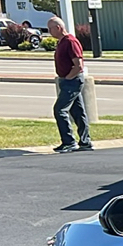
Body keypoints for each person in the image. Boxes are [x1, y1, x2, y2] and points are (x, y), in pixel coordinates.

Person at [47, 17, 92, 153]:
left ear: (59, 28)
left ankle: (69, 142)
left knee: (60, 110)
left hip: (72, 81)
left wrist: (68, 78)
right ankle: (85, 142)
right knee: (77, 111)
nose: (49, 32)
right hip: (67, 80)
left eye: (50, 29)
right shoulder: (61, 42)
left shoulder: (71, 42)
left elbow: (78, 65)